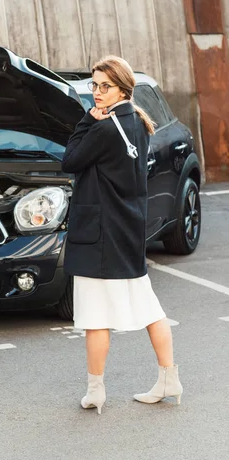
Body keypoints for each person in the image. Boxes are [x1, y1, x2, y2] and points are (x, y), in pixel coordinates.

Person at [61, 55, 183, 414]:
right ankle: (168, 378)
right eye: (94, 86)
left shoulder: (103, 127)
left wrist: (86, 120)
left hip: (99, 233)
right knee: (149, 309)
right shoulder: (136, 122)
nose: (97, 93)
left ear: (123, 89)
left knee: (96, 318)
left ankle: (96, 390)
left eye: (105, 86)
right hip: (127, 230)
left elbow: (69, 161)